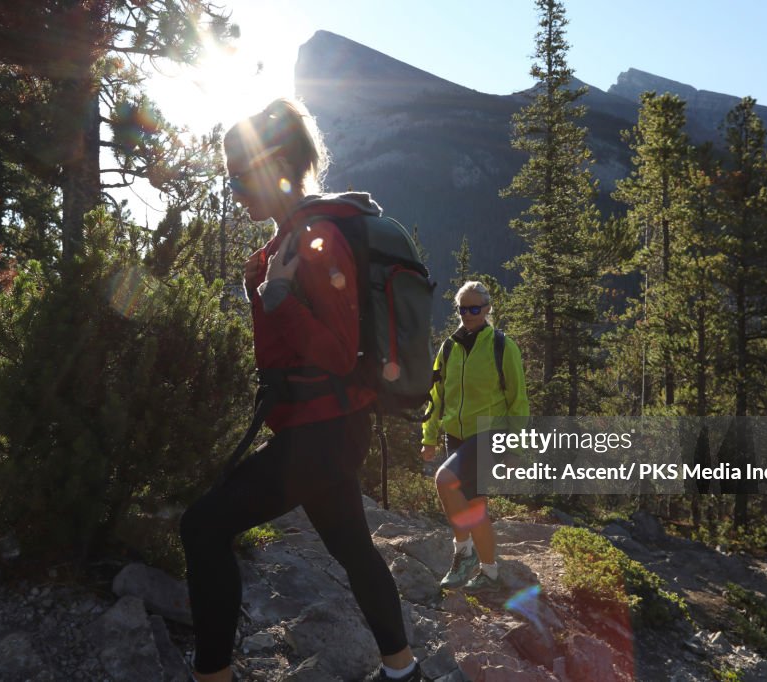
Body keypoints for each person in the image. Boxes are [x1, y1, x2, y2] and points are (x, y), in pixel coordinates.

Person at [180, 98, 424, 682]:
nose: (234, 191)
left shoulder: (316, 238)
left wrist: (278, 298)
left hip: (322, 431)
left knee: (203, 526)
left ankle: (212, 676)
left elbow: (337, 354)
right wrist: (263, 291)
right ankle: (403, 669)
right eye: (229, 177)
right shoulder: (289, 241)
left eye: (239, 176)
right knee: (353, 548)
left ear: (276, 165)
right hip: (325, 429)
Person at [420, 282, 529, 593]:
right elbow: (435, 395)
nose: (468, 315)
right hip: (455, 434)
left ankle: (463, 551)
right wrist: (429, 436)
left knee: (444, 479)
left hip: (489, 432)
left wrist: (515, 448)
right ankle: (491, 572)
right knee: (475, 504)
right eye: (462, 309)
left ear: (488, 309)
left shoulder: (501, 346)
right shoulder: (449, 348)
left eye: (475, 308)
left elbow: (518, 400)